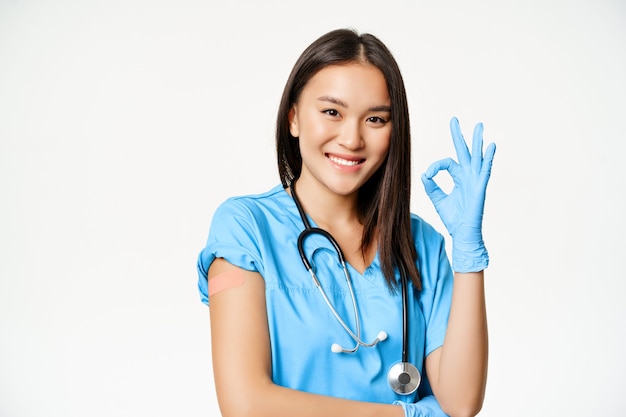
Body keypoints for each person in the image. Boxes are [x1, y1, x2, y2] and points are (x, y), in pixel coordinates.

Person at [197, 28, 496, 417]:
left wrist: (469, 256)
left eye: (375, 119)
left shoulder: (421, 243)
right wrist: (404, 415)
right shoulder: (245, 228)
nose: (352, 139)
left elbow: (461, 401)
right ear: (293, 118)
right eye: (332, 112)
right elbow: (245, 404)